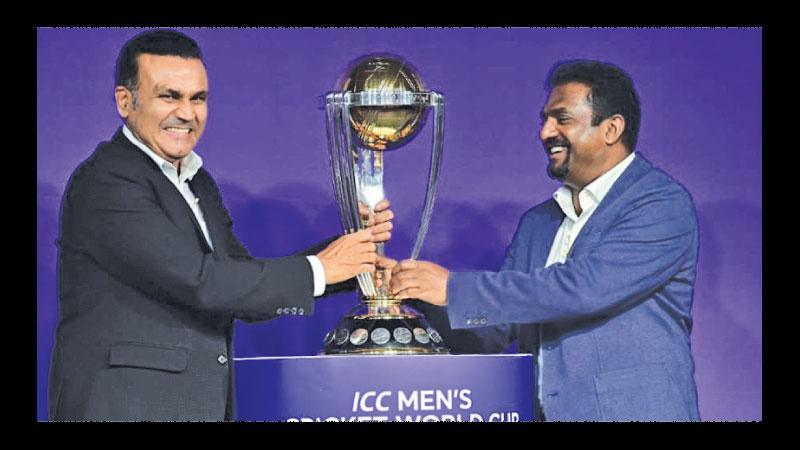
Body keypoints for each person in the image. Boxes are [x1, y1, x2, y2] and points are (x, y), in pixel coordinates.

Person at [47, 29, 394, 421]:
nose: (187, 113)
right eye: (169, 96)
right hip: (126, 408)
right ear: (125, 101)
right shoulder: (107, 181)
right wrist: (322, 268)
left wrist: (350, 260)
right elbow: (202, 282)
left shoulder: (197, 181)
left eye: (198, 98)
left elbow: (239, 282)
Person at [389, 60, 700, 421]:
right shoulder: (537, 224)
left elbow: (584, 288)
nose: (544, 132)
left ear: (612, 128)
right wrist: (412, 287)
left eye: (561, 118)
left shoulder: (661, 203)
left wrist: (452, 288)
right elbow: (493, 332)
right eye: (544, 119)